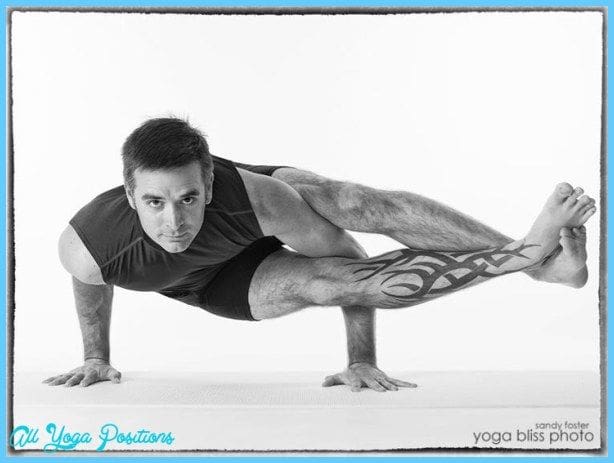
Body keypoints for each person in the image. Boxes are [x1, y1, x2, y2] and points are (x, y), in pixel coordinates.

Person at [44, 118, 596, 392]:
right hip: (213, 285)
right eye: (155, 203)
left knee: (351, 203)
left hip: (256, 219)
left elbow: (350, 258)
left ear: (209, 183)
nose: (174, 221)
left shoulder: (257, 198)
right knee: (320, 285)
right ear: (129, 194)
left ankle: (534, 257)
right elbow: (90, 282)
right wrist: (96, 356)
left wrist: (360, 358)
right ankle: (537, 259)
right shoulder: (88, 246)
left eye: (188, 198)